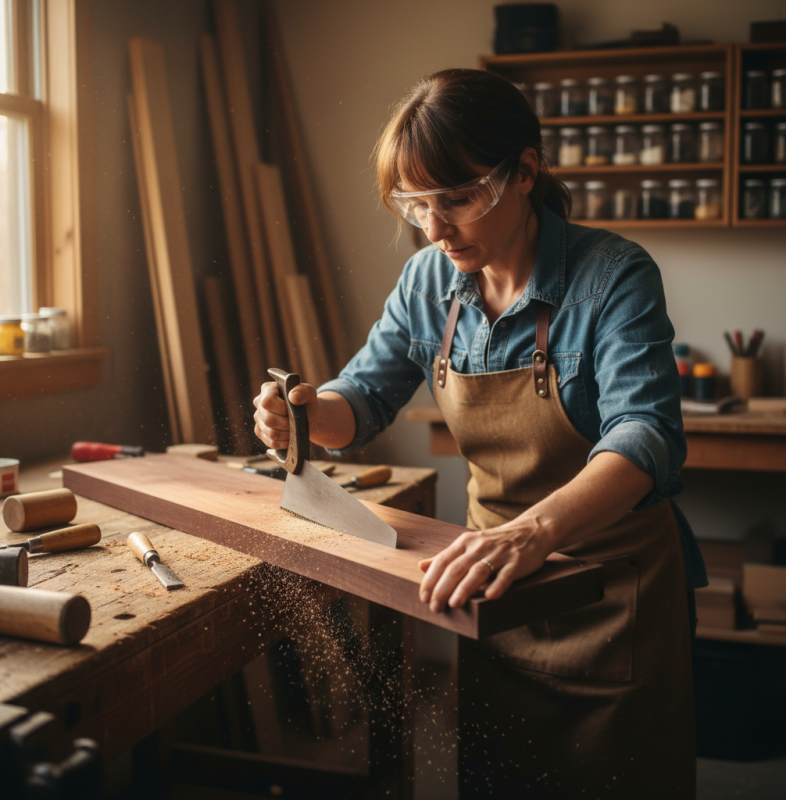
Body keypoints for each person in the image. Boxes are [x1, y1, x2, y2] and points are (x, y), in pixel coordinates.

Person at [254, 68, 707, 799]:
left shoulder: (614, 276)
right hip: (492, 592)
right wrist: (304, 416)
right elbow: (363, 396)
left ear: (525, 172)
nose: (433, 229)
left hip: (612, 599)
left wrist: (529, 535)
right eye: (414, 204)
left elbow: (646, 436)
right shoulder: (427, 281)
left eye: (458, 199)